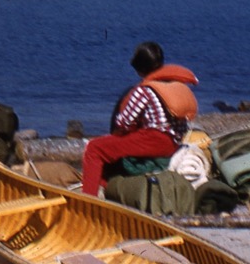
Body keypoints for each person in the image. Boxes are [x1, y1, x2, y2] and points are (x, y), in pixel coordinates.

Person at [79, 41, 200, 196]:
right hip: (174, 142)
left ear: (139, 69)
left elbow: (124, 122)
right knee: (113, 148)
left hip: (154, 141)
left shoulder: (144, 90)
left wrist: (121, 133)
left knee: (95, 148)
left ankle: (88, 196)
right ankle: (106, 187)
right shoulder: (173, 84)